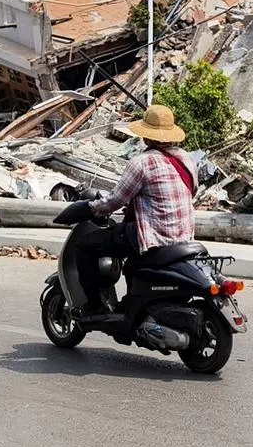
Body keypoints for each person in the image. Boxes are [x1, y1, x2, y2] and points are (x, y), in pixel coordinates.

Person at [77, 104, 198, 314]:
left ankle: (94, 307)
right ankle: (131, 302)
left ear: (146, 136)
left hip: (154, 236)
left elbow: (114, 201)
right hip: (184, 234)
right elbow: (192, 191)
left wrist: (90, 208)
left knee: (85, 246)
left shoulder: (142, 162)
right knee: (130, 257)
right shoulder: (186, 158)